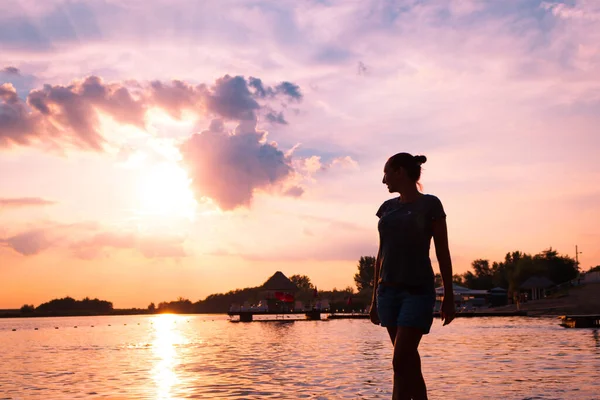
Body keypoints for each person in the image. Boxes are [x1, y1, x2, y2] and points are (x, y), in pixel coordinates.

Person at [369, 152, 456, 400]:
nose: (384, 180)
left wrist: (448, 297)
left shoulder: (430, 204)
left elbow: (442, 251)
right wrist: (374, 299)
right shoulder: (386, 209)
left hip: (416, 292)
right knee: (408, 363)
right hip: (387, 292)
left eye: (386, 173)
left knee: (400, 359)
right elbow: (380, 254)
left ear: (400, 172)